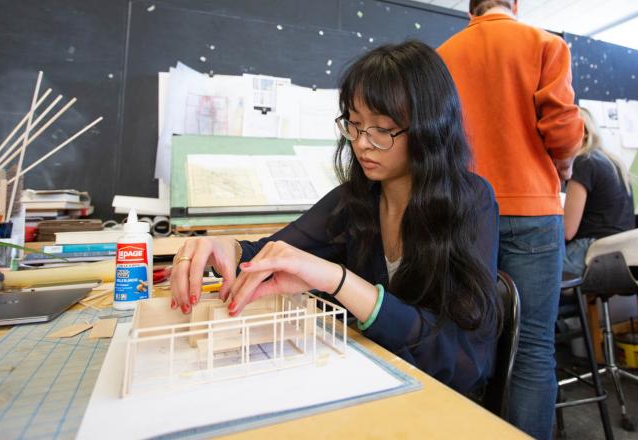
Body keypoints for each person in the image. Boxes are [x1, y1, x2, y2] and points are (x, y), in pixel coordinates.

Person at [170, 40, 501, 395]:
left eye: (382, 130)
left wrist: (339, 280)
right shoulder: (355, 201)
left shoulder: (470, 203)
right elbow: (269, 253)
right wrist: (226, 247)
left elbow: (465, 362)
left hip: (440, 401)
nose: (361, 143)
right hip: (372, 381)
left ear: (429, 129)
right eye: (355, 125)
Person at [437, 0, 583, 439]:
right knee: (534, 346)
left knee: (460, 336)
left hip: (461, 211)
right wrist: (562, 167)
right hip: (533, 209)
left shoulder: (442, 56)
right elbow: (562, 130)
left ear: (471, 12)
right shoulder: (545, 43)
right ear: (515, 7)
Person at [562, 107, 635, 276]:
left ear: (583, 133)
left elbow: (567, 230)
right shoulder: (613, 161)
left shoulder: (583, 162)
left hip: (590, 251)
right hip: (618, 253)